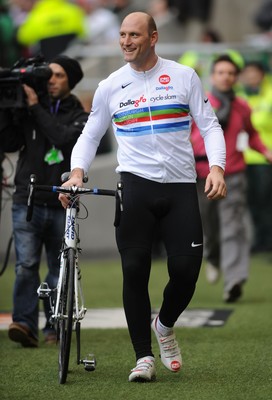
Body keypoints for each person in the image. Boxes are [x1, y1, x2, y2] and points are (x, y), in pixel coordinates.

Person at [59, 12, 227, 382]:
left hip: (181, 187)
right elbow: (89, 136)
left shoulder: (184, 76)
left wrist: (216, 167)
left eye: (134, 34)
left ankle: (164, 324)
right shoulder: (110, 85)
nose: (125, 41)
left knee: (185, 272)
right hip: (135, 187)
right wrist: (76, 172)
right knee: (134, 270)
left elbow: (209, 125)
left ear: (153, 37)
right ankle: (143, 357)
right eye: (121, 34)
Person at [0, 55, 88, 347]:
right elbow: (10, 143)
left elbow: (63, 138)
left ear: (71, 81)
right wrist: (9, 109)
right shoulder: (28, 109)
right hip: (27, 197)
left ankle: (54, 326)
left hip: (63, 202)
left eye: (59, 75)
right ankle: (24, 325)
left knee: (57, 267)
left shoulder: (80, 113)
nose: (51, 80)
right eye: (48, 74)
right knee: (25, 265)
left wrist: (35, 106)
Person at [191, 54, 272, 302]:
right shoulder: (198, 102)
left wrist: (267, 152)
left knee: (233, 226)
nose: (226, 77)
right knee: (209, 228)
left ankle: (234, 280)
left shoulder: (242, 107)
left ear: (236, 78)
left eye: (230, 73)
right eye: (221, 72)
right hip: (200, 176)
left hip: (233, 174)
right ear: (212, 76)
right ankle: (212, 257)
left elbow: (253, 135)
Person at [239, 61, 272, 252]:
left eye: (254, 72)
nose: (250, 76)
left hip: (265, 158)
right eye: (247, 73)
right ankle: (260, 241)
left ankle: (268, 241)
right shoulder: (242, 95)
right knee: (252, 202)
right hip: (245, 158)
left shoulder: (269, 93)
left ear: (262, 74)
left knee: (265, 201)